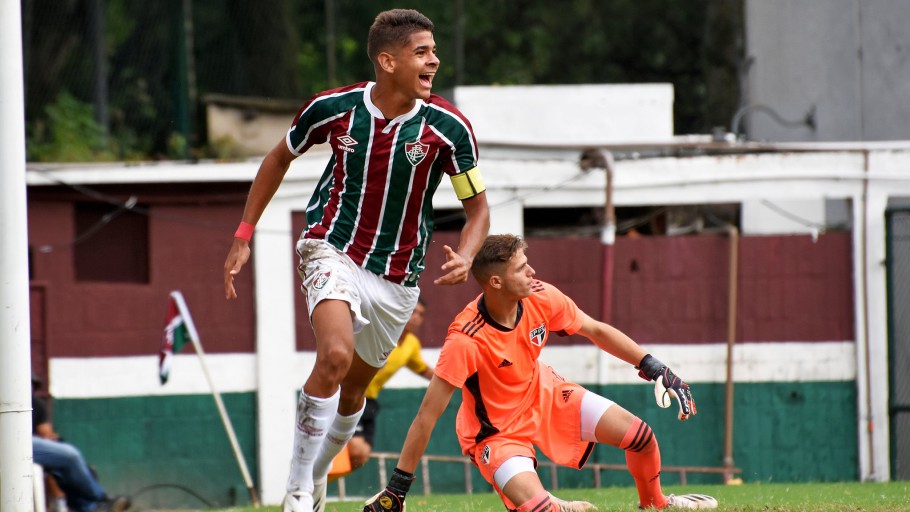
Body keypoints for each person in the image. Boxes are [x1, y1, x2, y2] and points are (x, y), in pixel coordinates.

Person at [222, 9, 489, 512]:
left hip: (397, 277)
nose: (435, 60)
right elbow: (279, 157)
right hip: (331, 246)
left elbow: (478, 208)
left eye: (434, 50)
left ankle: (318, 474)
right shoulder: (334, 108)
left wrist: (469, 254)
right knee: (335, 356)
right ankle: (298, 491)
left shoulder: (450, 128)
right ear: (387, 61)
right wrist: (243, 233)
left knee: (353, 392)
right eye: (422, 52)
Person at [364, 235, 718, 511]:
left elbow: (595, 329)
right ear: (496, 283)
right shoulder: (465, 339)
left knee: (641, 437)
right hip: (496, 436)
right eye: (521, 268)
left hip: (547, 396)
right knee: (540, 508)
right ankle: (547, 501)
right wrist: (397, 488)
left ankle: (655, 503)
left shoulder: (540, 296)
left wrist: (653, 366)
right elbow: (427, 416)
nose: (532, 273)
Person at [347, 298, 434, 471]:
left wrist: (462, 380)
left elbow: (424, 370)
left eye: (421, 314)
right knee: (355, 449)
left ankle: (319, 483)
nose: (415, 317)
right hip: (350, 396)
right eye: (413, 311)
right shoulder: (380, 331)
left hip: (370, 401)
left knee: (361, 455)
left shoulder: (411, 344)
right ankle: (312, 480)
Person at [31, 375, 131, 512]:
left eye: (32, 384)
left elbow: (46, 433)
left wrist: (51, 440)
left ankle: (88, 507)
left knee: (63, 467)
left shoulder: (35, 404)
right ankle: (99, 500)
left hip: (33, 449)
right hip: (11, 444)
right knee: (69, 455)